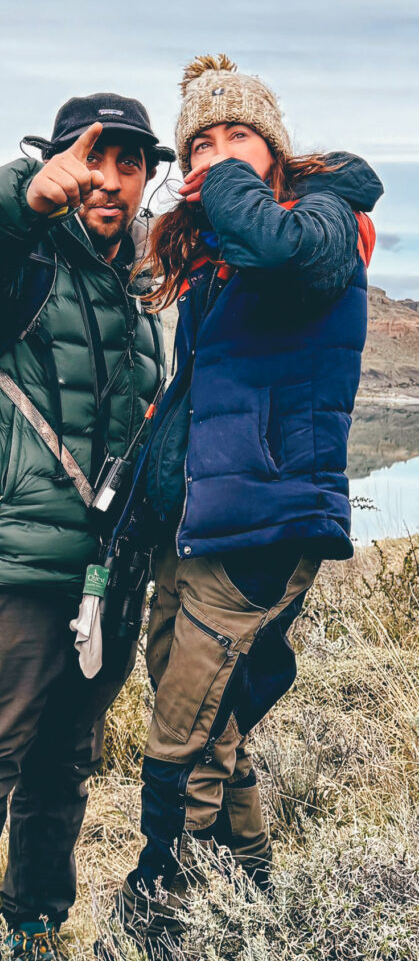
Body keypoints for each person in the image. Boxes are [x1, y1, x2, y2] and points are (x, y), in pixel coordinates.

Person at [103, 55, 383, 958]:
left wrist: (218, 176)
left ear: (275, 148)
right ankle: (251, 885)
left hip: (265, 516)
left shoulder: (324, 221)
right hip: (193, 521)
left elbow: (281, 248)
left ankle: (160, 901)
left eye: (239, 137)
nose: (219, 156)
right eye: (202, 143)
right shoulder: (216, 260)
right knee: (208, 714)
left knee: (181, 721)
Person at [0, 93, 173, 961]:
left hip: (92, 581)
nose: (110, 181)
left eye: (130, 165)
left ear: (145, 180)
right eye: (95, 160)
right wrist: (22, 192)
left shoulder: (132, 293)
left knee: (61, 768)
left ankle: (34, 929)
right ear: (61, 161)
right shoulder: (14, 262)